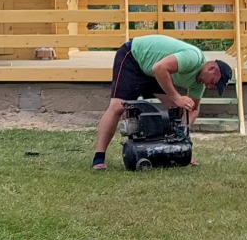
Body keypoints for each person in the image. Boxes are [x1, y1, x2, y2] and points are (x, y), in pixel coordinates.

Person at [92, 33, 233, 170]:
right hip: (133, 57)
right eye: (213, 83)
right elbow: (159, 68)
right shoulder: (193, 58)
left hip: (154, 71)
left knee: (175, 111)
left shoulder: (198, 84)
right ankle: (99, 157)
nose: (209, 87)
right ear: (212, 69)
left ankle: (173, 151)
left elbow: (194, 109)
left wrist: (182, 132)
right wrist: (177, 98)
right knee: (117, 107)